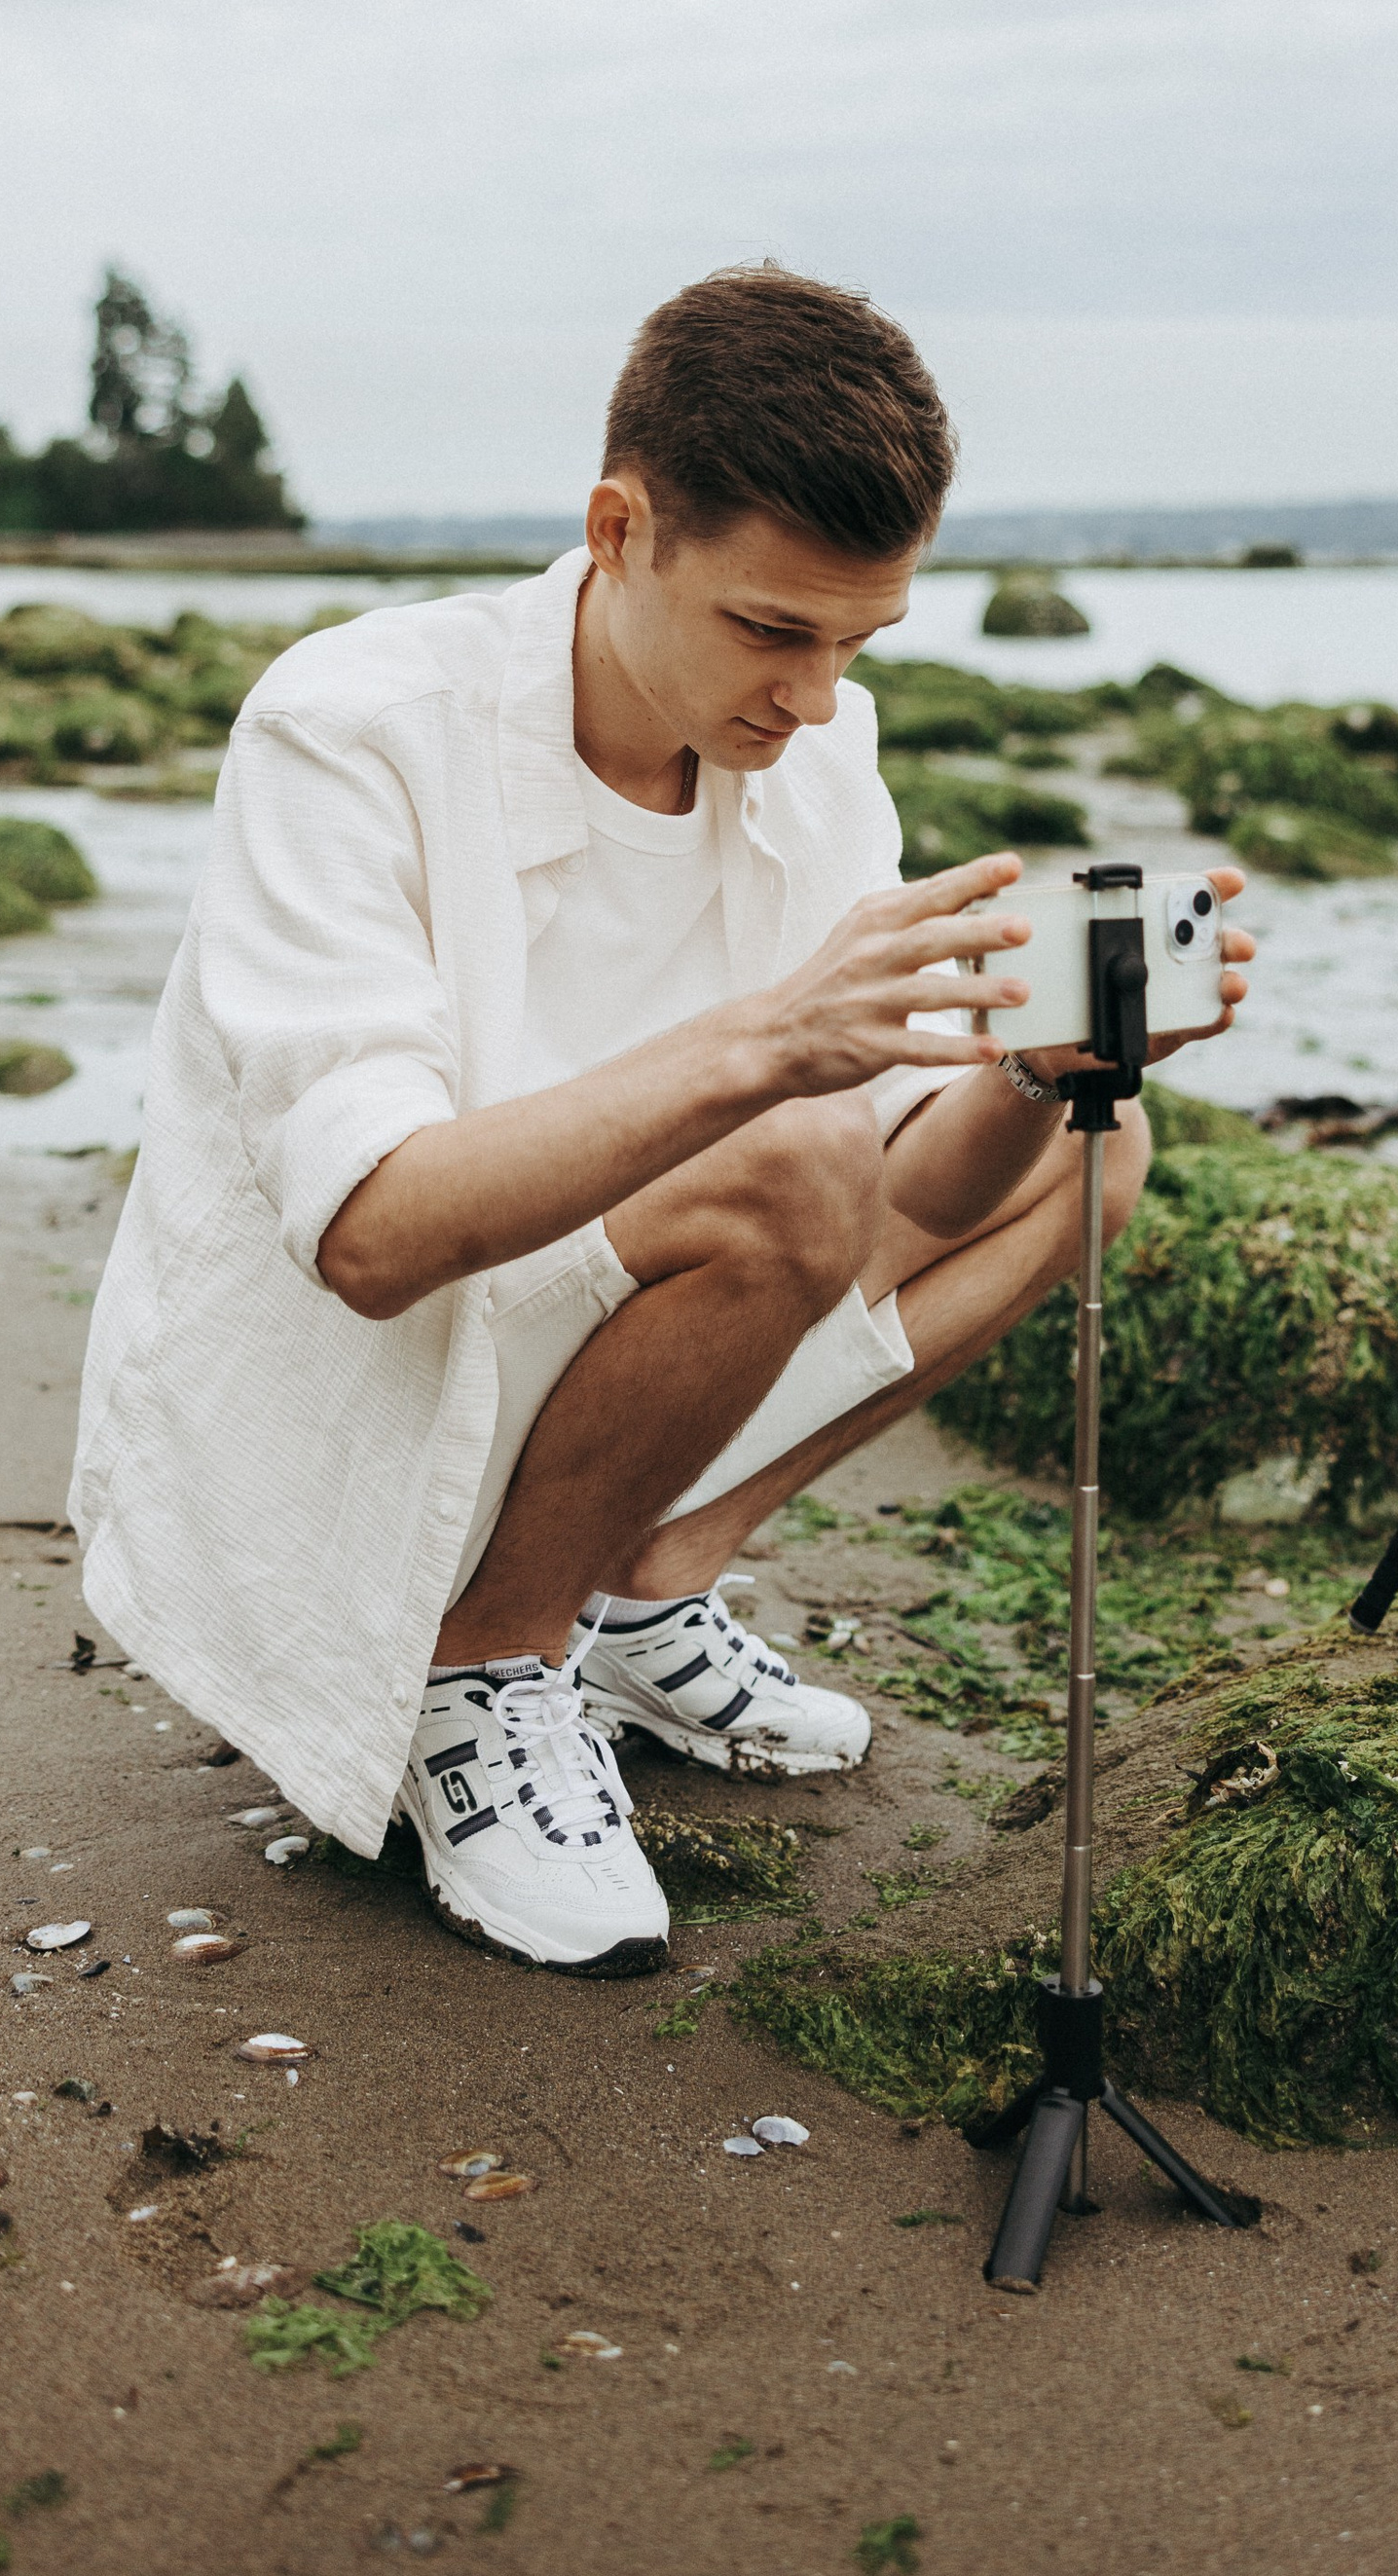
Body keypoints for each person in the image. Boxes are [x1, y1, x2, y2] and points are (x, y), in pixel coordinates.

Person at [70, 267, 1250, 1972]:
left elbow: (903, 1188)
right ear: (620, 529)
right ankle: (481, 1668)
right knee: (785, 1152)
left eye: (860, 642)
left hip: (609, 1316)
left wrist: (1026, 1077)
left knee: (1091, 1154)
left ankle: (633, 1590)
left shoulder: (813, 761)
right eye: (774, 630)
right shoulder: (351, 727)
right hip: (348, 1386)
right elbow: (371, 1236)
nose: (819, 699)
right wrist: (767, 1042)